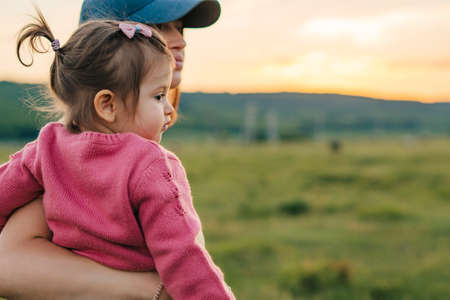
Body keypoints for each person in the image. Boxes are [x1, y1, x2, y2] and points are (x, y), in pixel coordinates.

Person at [0, 7, 234, 300]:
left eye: (180, 27)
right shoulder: (151, 163)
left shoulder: (48, 145)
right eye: (159, 27)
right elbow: (183, 255)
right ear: (107, 104)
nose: (180, 41)